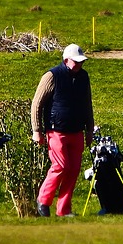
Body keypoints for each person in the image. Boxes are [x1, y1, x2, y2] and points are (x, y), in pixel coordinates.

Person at [31, 43, 95, 217]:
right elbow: (37, 104)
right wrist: (37, 130)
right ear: (66, 60)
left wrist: (89, 130)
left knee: (73, 170)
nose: (80, 64)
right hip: (56, 130)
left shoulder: (83, 77)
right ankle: (43, 201)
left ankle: (64, 210)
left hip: (77, 131)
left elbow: (87, 104)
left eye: (81, 62)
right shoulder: (52, 76)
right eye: (76, 61)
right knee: (60, 166)